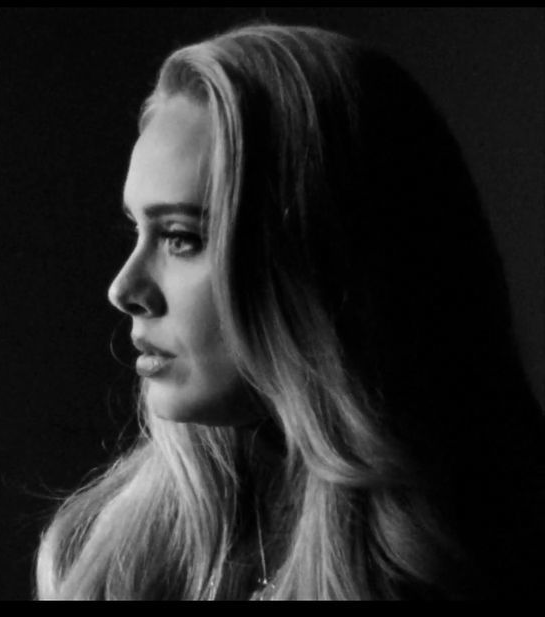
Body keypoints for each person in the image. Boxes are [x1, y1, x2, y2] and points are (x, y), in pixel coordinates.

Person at [35, 23, 545, 600]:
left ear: (315, 264)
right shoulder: (110, 561)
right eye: (137, 229)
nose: (124, 288)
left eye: (181, 238)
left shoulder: (482, 560)